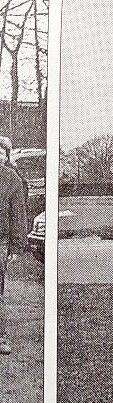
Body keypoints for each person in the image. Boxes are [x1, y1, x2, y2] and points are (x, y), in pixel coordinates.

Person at [0, 137, 26, 356]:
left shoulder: (12, 180)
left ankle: (0, 337)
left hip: (1, 240)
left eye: (2, 152)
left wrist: (16, 247)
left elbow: (18, 216)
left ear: (6, 156)